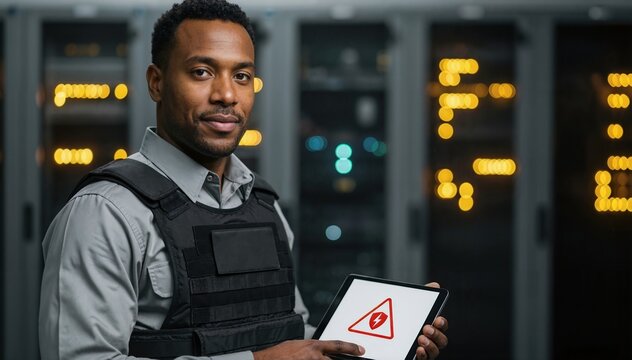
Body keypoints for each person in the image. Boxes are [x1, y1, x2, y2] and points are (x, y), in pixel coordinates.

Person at [38, 0, 449, 359]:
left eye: (241, 76)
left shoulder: (263, 205)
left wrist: (370, 347)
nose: (227, 95)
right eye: (201, 72)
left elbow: (289, 336)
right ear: (156, 82)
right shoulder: (105, 214)